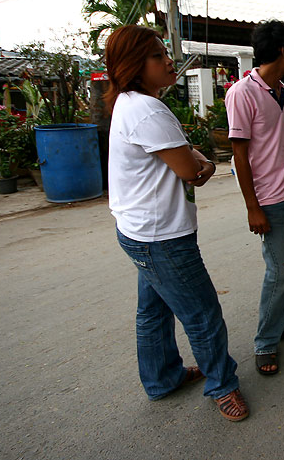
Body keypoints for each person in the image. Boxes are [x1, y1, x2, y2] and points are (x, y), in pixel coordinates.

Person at [106, 25, 248, 422]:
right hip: (161, 237)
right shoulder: (146, 109)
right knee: (202, 314)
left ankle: (162, 379)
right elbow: (191, 168)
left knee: (153, 311)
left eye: (164, 53)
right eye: (157, 56)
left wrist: (194, 158)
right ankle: (222, 384)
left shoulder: (131, 102)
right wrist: (204, 164)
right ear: (135, 65)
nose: (169, 61)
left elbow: (181, 151)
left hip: (138, 230)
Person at [225, 20, 284, 377]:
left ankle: (281, 323)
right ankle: (265, 342)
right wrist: (252, 207)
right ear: (282, 52)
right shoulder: (241, 93)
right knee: (280, 269)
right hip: (268, 201)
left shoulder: (279, 88)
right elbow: (239, 155)